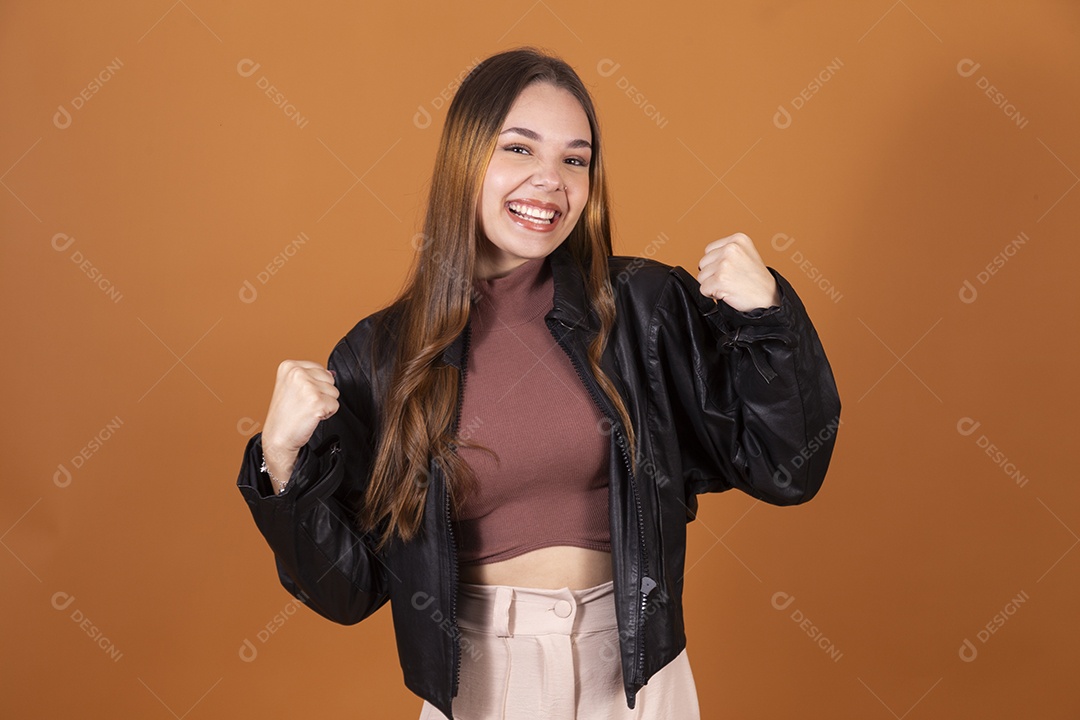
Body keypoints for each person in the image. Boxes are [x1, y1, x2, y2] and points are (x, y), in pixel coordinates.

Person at [236, 47, 841, 719]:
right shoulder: (382, 355)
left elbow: (788, 467)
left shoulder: (644, 307)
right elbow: (346, 591)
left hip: (639, 676)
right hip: (482, 682)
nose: (550, 182)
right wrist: (281, 462)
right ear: (465, 159)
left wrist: (768, 320)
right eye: (520, 149)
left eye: (574, 159)